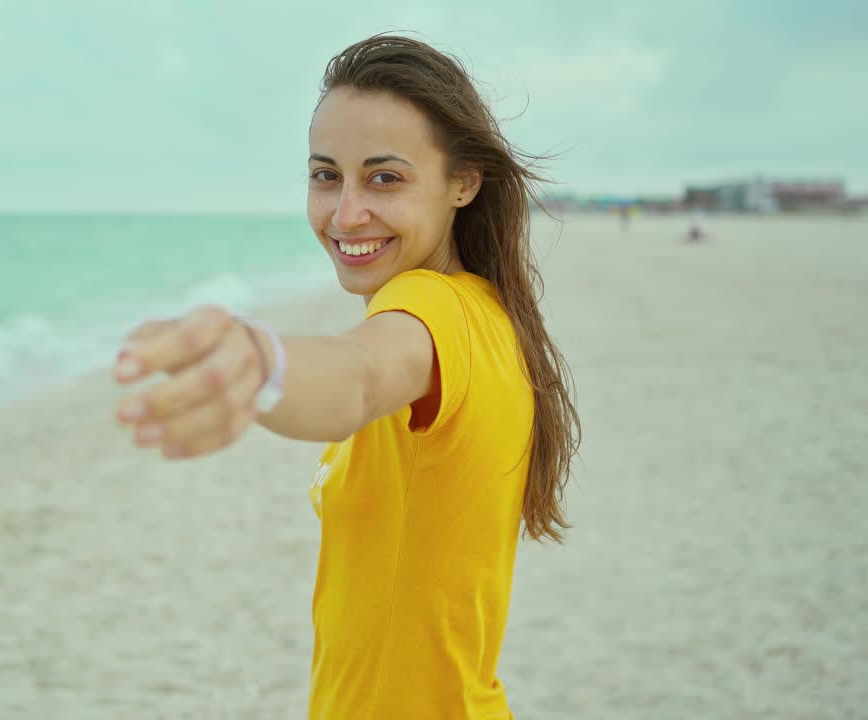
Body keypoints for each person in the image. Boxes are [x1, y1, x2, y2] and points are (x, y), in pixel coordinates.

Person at [113, 34, 580, 719]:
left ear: (463, 181)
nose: (346, 213)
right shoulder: (488, 312)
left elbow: (358, 377)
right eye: (326, 175)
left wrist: (260, 361)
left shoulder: (429, 308)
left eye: (384, 177)